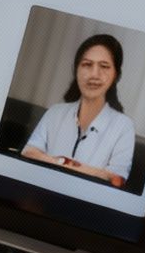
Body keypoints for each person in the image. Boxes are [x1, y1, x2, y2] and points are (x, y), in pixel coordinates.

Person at [19, 33, 136, 187]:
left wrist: (64, 164)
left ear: (116, 75)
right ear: (76, 70)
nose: (94, 74)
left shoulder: (124, 126)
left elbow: (116, 179)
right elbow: (28, 152)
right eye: (87, 64)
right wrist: (63, 162)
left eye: (104, 66)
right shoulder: (55, 112)